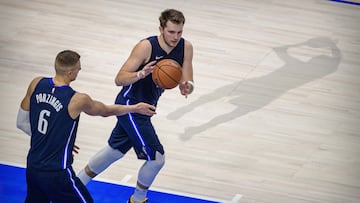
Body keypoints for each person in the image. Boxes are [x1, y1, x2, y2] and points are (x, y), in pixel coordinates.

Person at [77, 9, 194, 203]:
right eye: (171, 32)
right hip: (130, 105)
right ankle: (137, 200)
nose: (175, 37)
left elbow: (188, 78)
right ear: (161, 29)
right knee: (157, 158)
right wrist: (141, 74)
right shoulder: (146, 47)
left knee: (113, 151)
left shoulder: (186, 47)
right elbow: (119, 79)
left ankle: (75, 184)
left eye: (179, 32)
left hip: (146, 108)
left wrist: (187, 87)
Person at [16, 50, 156, 203]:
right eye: (78, 68)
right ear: (70, 73)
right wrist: (135, 108)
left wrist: (53, 139)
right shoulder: (77, 100)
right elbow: (106, 111)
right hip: (57, 172)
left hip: (32, 167)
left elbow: (21, 123)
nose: (80, 70)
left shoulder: (36, 83)